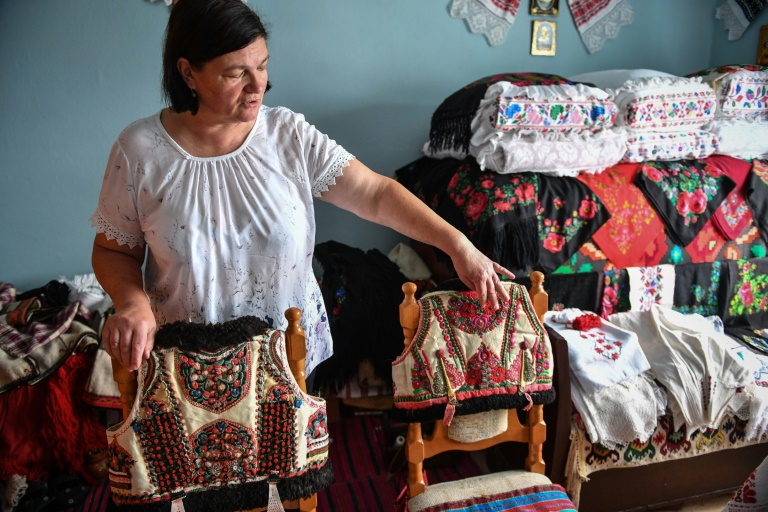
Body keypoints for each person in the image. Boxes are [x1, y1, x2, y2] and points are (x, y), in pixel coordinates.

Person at [91, 0, 515, 378]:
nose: (258, 85)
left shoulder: (287, 135)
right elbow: (114, 251)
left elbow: (375, 194)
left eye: (262, 66)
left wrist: (457, 244)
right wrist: (132, 303)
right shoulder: (140, 150)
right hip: (182, 367)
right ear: (188, 73)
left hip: (286, 363)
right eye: (236, 73)